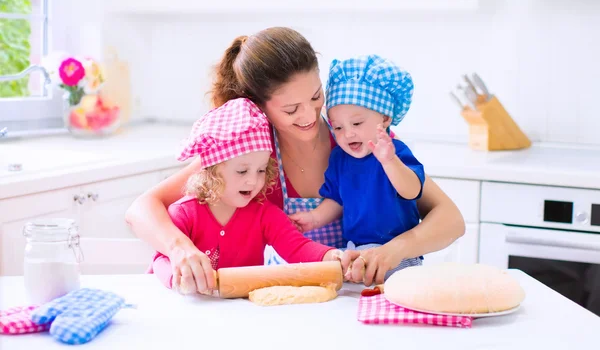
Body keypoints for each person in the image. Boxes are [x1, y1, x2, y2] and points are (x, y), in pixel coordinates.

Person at [125, 27, 466, 293]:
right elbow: (142, 208)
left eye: (316, 96)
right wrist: (179, 248)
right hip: (292, 303)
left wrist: (394, 250)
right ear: (260, 107)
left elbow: (451, 218)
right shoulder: (251, 156)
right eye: (291, 109)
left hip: (363, 297)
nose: (309, 115)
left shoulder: (358, 139)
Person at [149, 97, 342, 294]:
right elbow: (161, 260)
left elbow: (298, 248)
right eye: (242, 171)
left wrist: (333, 258)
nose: (253, 181)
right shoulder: (185, 213)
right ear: (213, 171)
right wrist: (178, 278)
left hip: (243, 312)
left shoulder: (264, 214)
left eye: (261, 170)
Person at [289, 54, 426, 282]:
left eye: (357, 123)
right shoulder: (340, 158)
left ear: (384, 118)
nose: (348, 134)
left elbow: (411, 190)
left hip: (396, 254)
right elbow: (336, 200)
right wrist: (314, 218)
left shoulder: (396, 151)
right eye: (339, 127)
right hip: (355, 248)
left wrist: (389, 161)